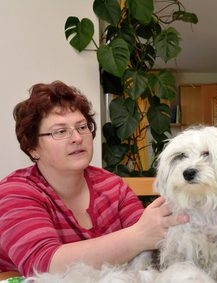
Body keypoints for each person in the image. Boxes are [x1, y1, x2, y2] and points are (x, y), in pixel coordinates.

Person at [0, 81, 189, 277]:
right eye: (60, 131)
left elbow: (150, 246)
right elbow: (43, 265)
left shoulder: (112, 186)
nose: (77, 138)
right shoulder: (14, 191)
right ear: (32, 148)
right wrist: (137, 237)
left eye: (82, 127)